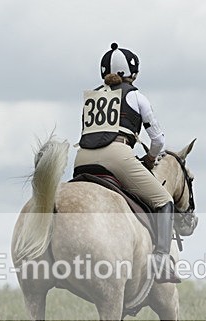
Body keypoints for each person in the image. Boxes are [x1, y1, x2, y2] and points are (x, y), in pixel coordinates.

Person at [73, 43, 180, 284]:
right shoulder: (135, 96)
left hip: (82, 159)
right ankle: (161, 262)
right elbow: (158, 140)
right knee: (165, 200)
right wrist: (151, 159)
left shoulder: (92, 97)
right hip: (117, 155)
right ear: (132, 73)